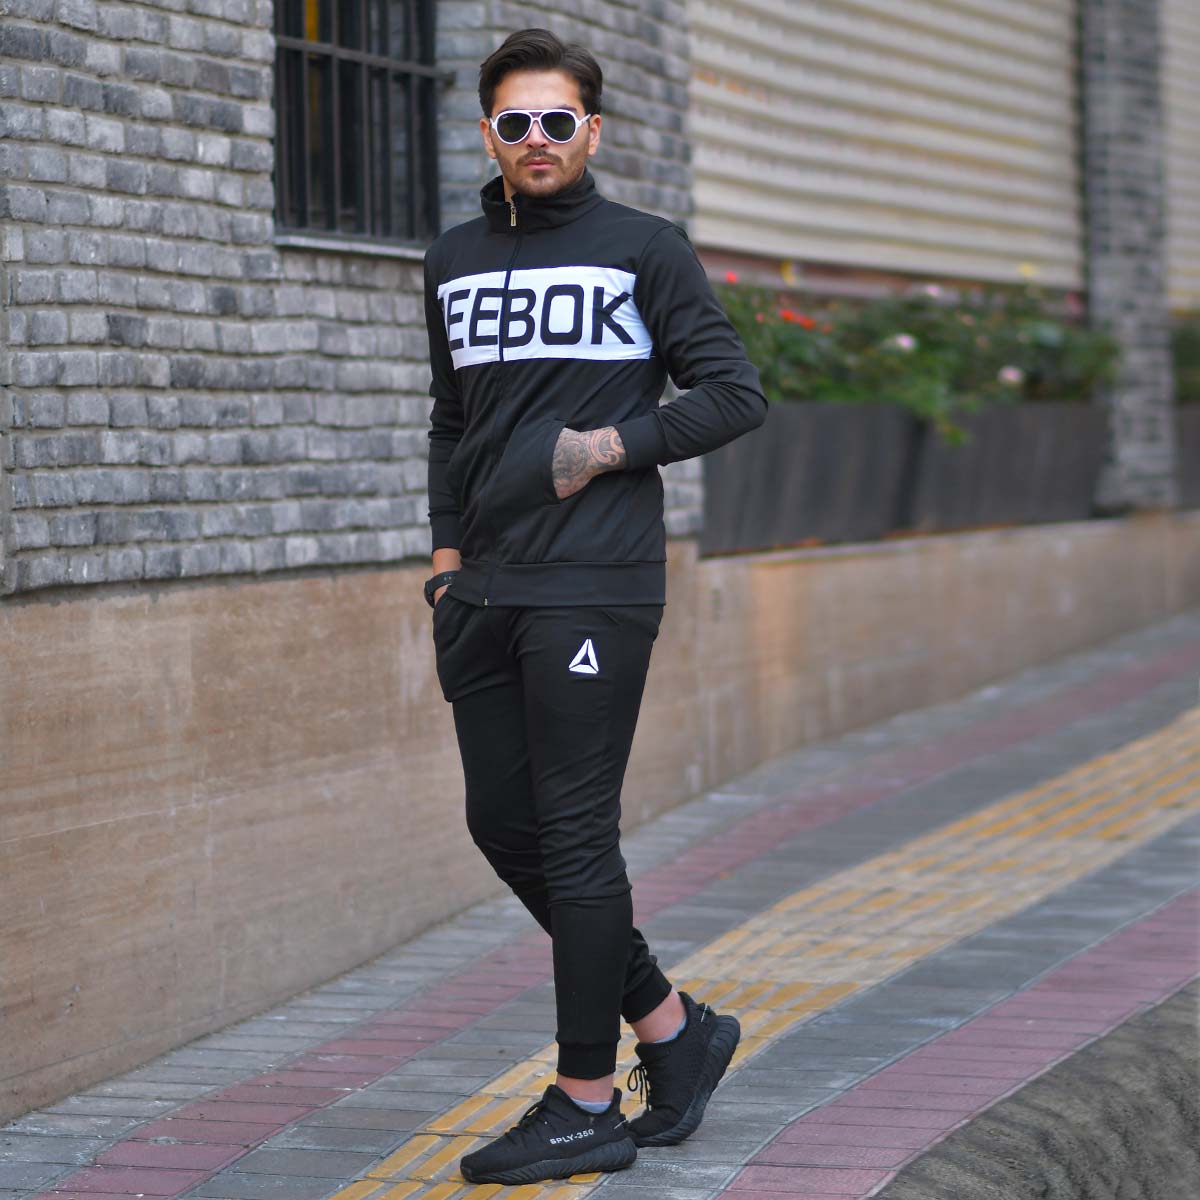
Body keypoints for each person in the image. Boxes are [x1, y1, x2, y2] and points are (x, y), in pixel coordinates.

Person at [421, 27, 767, 1187]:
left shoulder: (643, 249)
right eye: (515, 122)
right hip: (483, 587)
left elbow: (733, 393)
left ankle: (584, 1104)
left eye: (557, 121)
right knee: (503, 826)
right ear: (489, 134)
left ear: (592, 131)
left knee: (573, 837)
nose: (537, 139)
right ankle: (673, 1030)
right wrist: (444, 558)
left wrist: (608, 447)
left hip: (594, 585)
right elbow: (452, 421)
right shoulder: (454, 258)